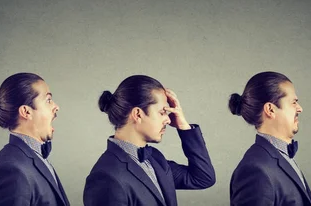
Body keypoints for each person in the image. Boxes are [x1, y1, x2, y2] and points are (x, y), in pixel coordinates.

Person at [83, 75, 215, 206]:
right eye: (163, 112)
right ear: (138, 114)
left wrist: (184, 127)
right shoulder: (105, 177)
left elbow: (203, 178)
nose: (169, 120)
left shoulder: (156, 159)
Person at [229, 71, 311, 206]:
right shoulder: (255, 170)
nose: (300, 109)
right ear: (270, 109)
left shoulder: (279, 158)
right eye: (293, 102)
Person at [0, 73, 69, 206]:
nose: (56, 106)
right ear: (26, 112)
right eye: (48, 100)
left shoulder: (30, 158)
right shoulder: (11, 170)